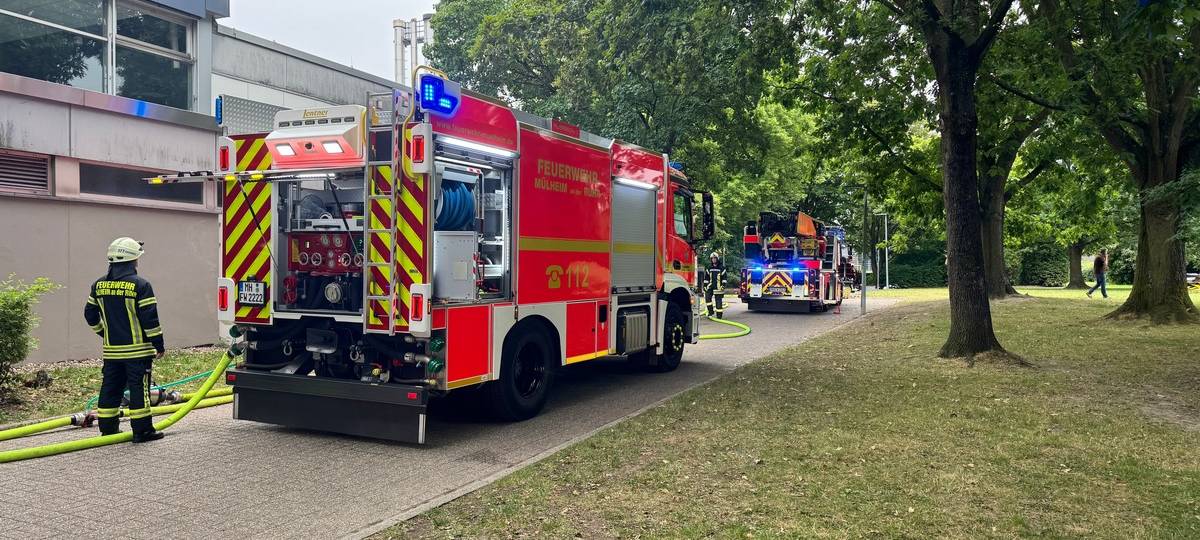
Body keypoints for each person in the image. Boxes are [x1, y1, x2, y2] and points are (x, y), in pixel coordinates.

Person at [84, 237, 166, 442]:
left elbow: (89, 314)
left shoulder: (98, 285)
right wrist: (158, 344)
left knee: (111, 388)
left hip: (112, 352)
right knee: (139, 390)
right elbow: (150, 319)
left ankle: (108, 430)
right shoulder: (141, 285)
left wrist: (104, 333)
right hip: (138, 352)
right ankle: (143, 431)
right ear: (133, 260)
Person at [704, 252, 727, 318]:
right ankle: (710, 312)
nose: (713, 260)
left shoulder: (722, 268)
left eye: (715, 258)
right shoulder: (709, 268)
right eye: (712, 258)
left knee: (718, 301)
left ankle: (719, 315)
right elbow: (706, 278)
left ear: (717, 259)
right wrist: (705, 286)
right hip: (710, 286)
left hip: (719, 287)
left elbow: (724, 278)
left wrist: (723, 285)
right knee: (707, 298)